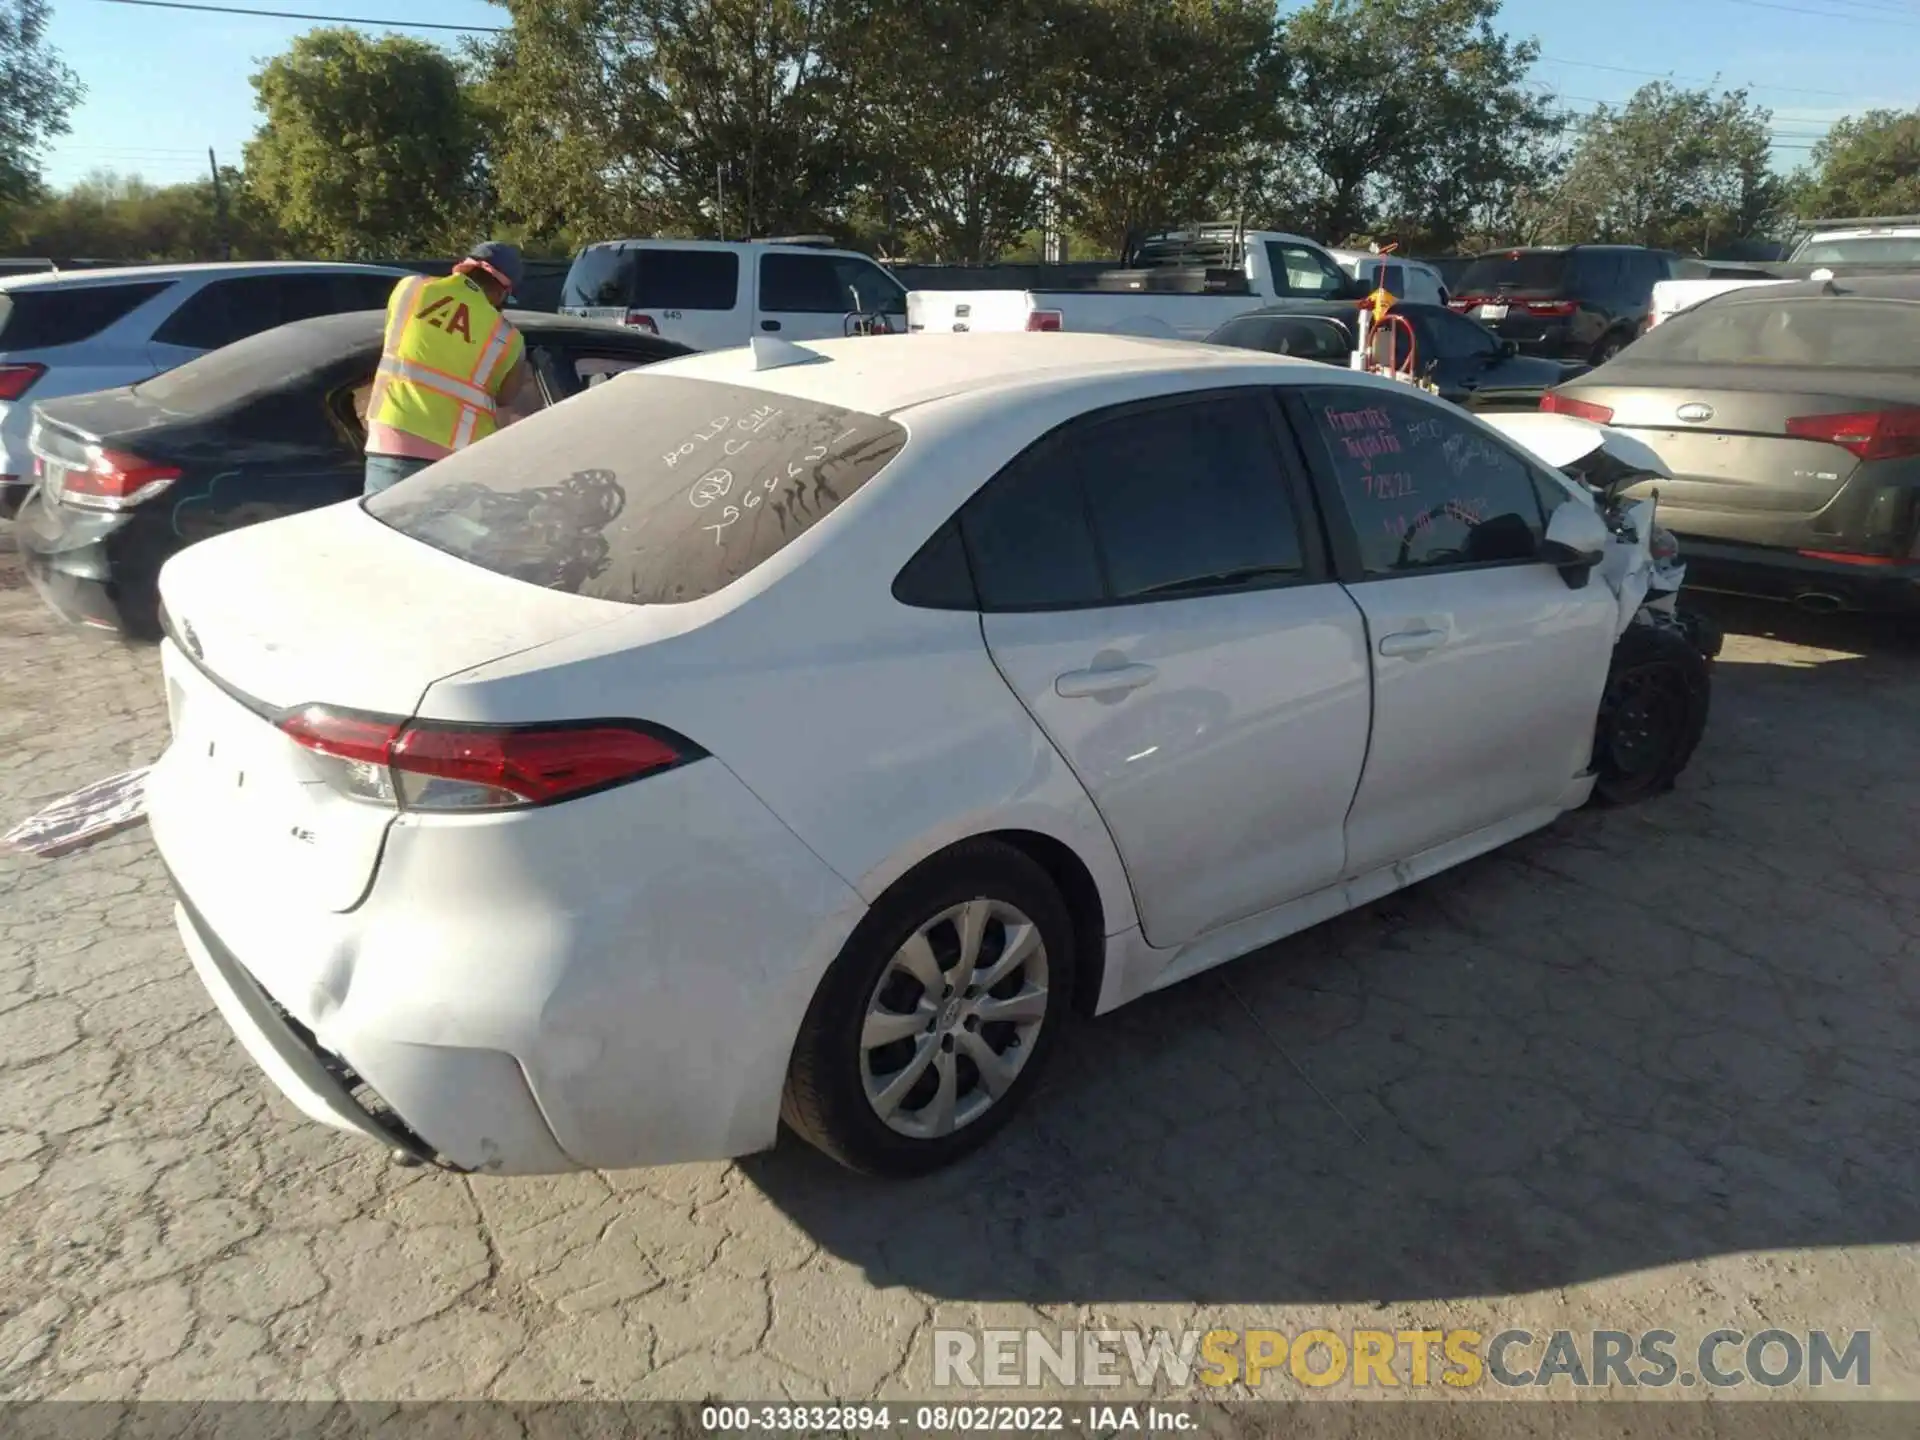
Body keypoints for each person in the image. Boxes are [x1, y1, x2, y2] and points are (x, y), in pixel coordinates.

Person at [362, 241, 532, 496]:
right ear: (503, 292)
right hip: (456, 461)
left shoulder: (410, 289)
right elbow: (507, 397)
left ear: (462, 268)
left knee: (382, 535)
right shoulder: (506, 337)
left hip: (391, 441)